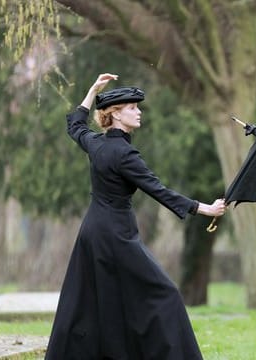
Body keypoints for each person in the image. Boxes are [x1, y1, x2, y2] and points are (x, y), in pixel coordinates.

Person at [45, 73, 227, 359]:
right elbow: (159, 190)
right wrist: (206, 209)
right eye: (132, 108)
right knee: (165, 294)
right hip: (116, 234)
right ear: (116, 115)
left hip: (92, 231)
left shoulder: (97, 144)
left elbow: (76, 125)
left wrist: (92, 89)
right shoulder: (124, 155)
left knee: (96, 302)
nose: (139, 112)